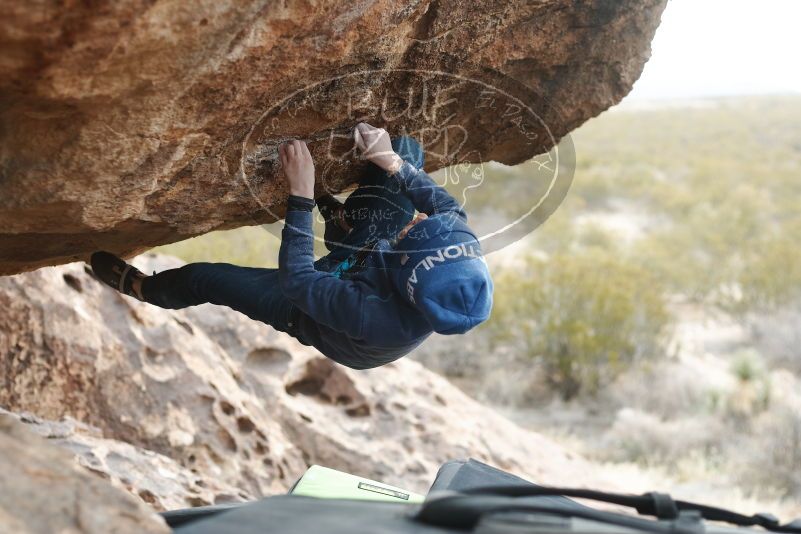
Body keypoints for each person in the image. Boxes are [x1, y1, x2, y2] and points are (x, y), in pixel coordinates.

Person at [90, 123, 493, 370]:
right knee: (407, 151)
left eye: (413, 233)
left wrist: (301, 193)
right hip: (374, 263)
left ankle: (145, 289)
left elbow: (298, 280)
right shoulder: (455, 244)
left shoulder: (374, 317)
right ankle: (346, 228)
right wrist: (391, 162)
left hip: (310, 309)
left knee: (204, 279)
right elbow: (446, 208)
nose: (419, 220)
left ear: (406, 274)